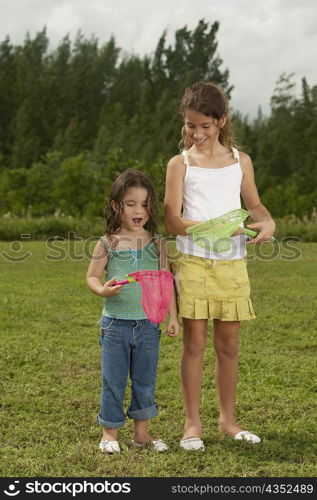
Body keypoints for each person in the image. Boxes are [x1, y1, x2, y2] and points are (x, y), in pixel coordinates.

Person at [164, 81, 275, 451]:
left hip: (232, 264)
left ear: (221, 121)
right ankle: (192, 424)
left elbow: (255, 206)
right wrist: (218, 228)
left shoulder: (240, 162)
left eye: (205, 126)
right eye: (191, 125)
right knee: (194, 344)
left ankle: (228, 421)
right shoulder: (179, 165)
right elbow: (173, 222)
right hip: (193, 261)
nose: (197, 134)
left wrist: (268, 222)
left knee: (228, 345)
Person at [87, 168, 179, 454]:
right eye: (131, 204)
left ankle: (142, 435)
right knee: (113, 380)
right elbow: (92, 277)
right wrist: (103, 289)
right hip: (115, 326)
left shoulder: (158, 244)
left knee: (145, 382)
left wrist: (173, 317)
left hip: (149, 326)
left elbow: (166, 283)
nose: (139, 210)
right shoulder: (108, 242)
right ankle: (110, 434)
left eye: (144, 204)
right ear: (117, 206)